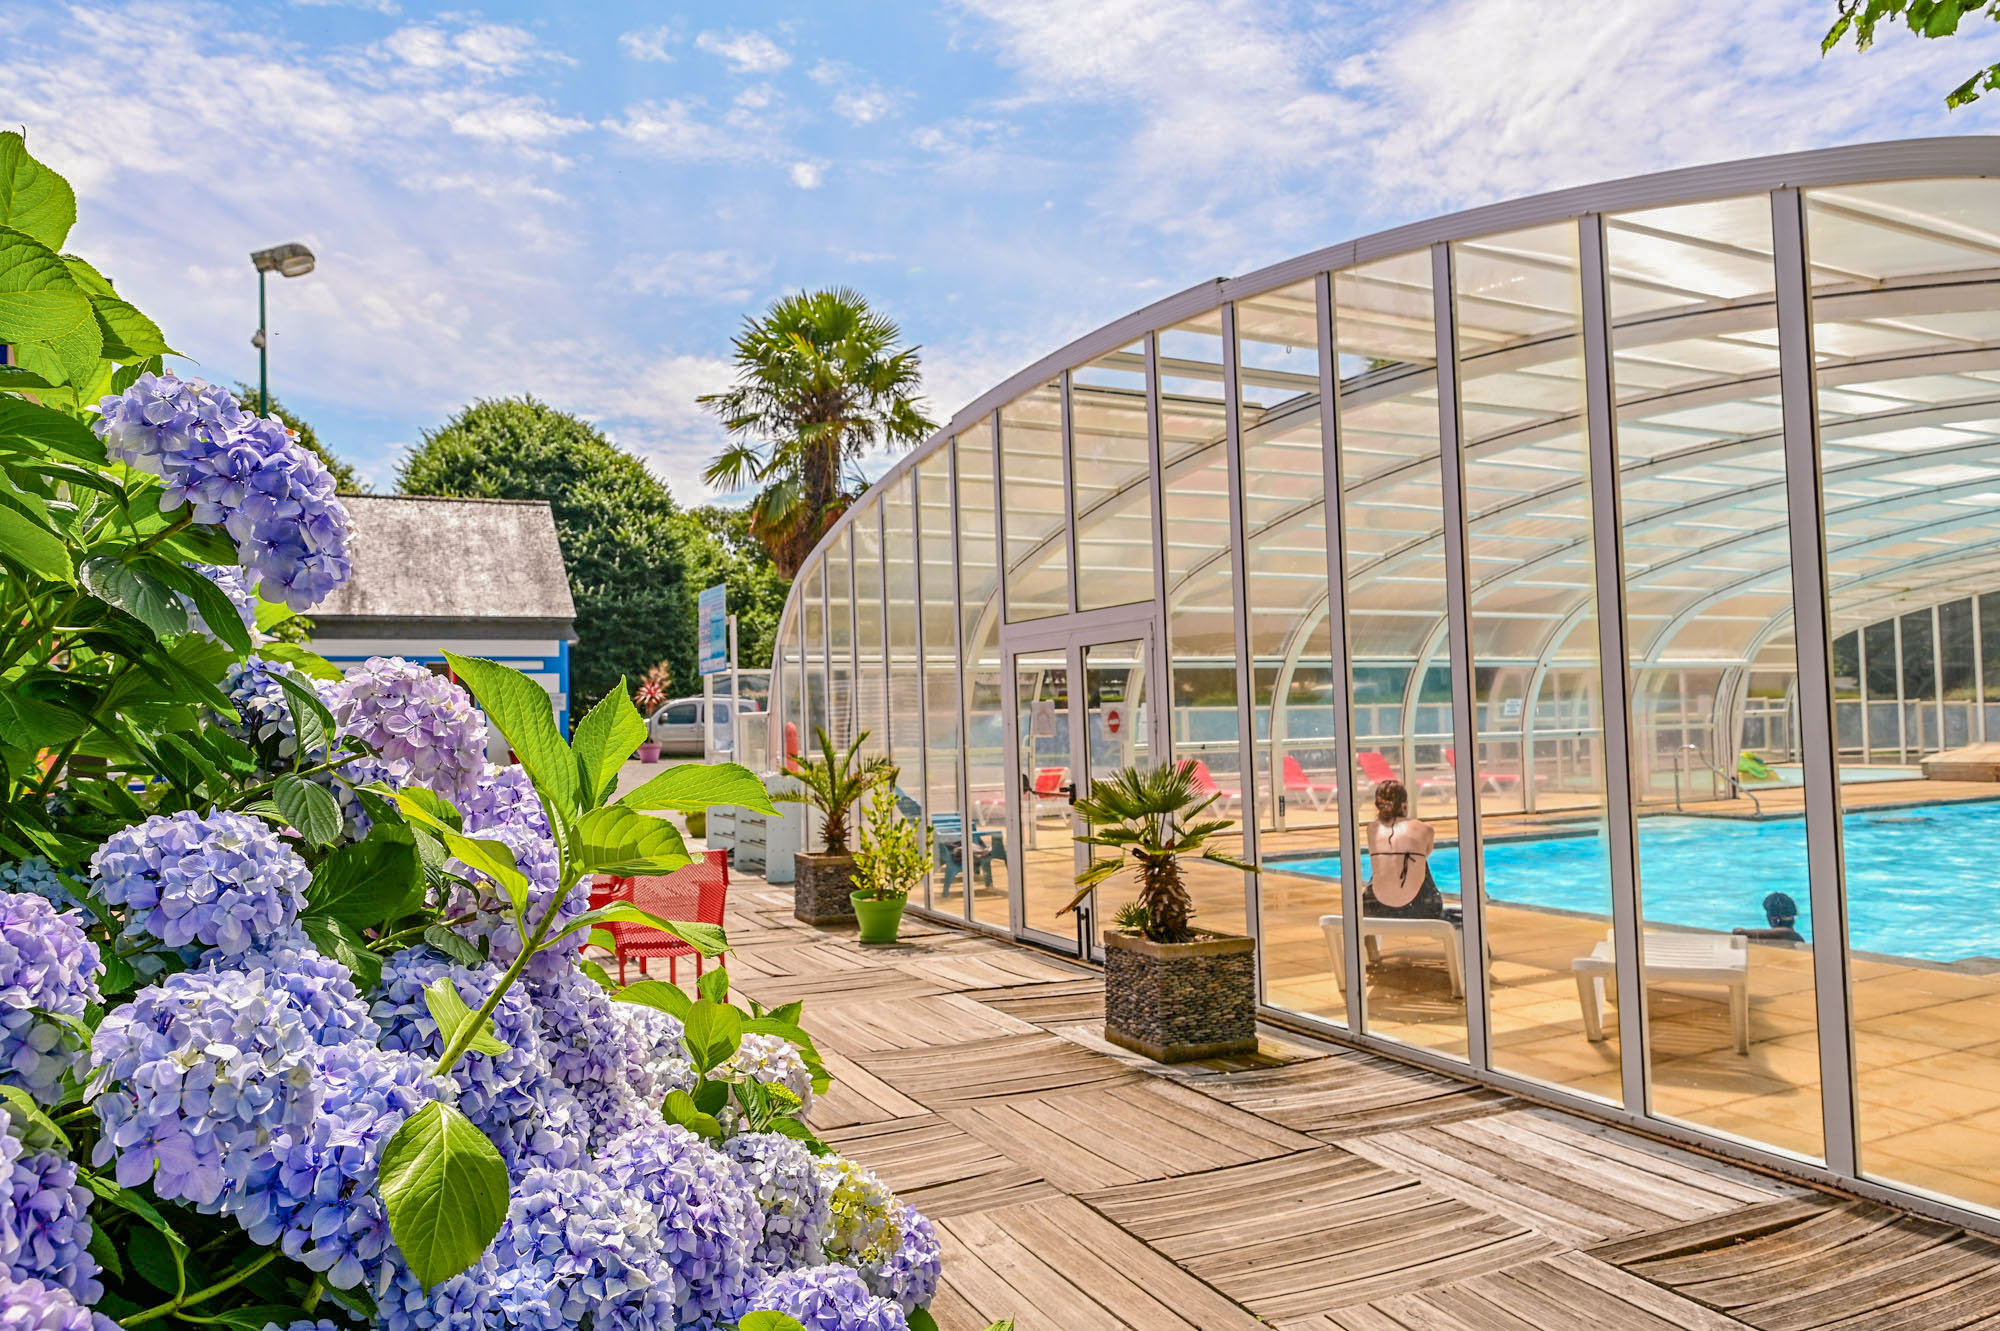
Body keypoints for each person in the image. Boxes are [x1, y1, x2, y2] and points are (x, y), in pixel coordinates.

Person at [1364, 780, 1448, 920]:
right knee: (1418, 860)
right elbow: (1425, 855)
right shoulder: (1425, 829)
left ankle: (1367, 940)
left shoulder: (1372, 829)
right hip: (1423, 908)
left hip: (1376, 909)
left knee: (1386, 863)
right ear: (1405, 805)